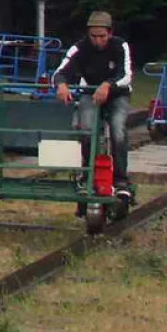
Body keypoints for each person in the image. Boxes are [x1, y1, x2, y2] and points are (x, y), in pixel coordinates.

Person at [52, 11, 134, 202]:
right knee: (86, 129)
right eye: (93, 36)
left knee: (118, 131)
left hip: (117, 94)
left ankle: (121, 181)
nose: (98, 41)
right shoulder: (79, 48)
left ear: (110, 33)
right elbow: (60, 72)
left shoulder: (121, 46)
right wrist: (61, 84)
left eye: (102, 36)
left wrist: (108, 85)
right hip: (90, 93)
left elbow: (126, 75)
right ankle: (87, 176)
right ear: (88, 34)